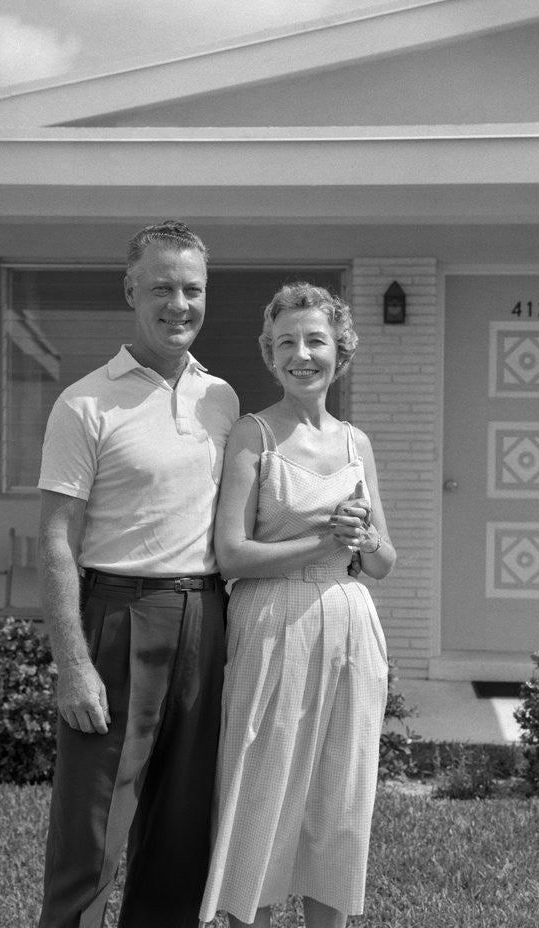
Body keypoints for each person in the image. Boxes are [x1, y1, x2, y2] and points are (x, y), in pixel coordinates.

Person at [36, 220, 239, 928]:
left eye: (192, 289)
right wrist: (73, 665)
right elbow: (56, 538)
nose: (179, 304)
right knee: (92, 834)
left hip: (207, 618)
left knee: (184, 834)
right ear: (130, 291)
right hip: (120, 618)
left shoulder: (222, 399)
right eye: (161, 288)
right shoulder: (85, 402)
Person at [198, 283, 396, 928]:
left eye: (316, 341)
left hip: (351, 627)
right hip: (271, 623)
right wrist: (325, 542)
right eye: (286, 342)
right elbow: (231, 555)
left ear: (341, 351)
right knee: (261, 792)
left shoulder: (356, 444)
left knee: (341, 801)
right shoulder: (252, 436)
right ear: (269, 354)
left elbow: (384, 562)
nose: (301, 355)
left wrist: (364, 540)